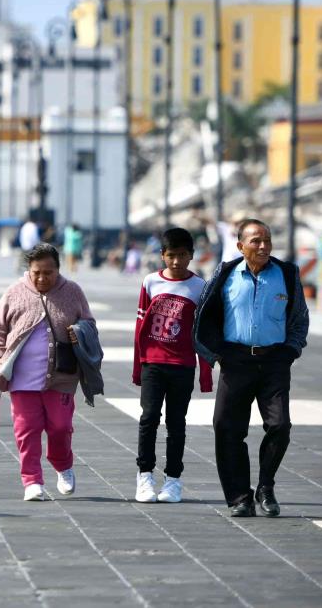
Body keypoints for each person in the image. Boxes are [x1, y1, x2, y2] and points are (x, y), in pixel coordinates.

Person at [193, 218, 308, 518]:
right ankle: (239, 497)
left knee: (280, 425)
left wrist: (290, 351)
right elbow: (204, 316)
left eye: (267, 240)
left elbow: (299, 319)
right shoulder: (225, 274)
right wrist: (218, 355)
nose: (263, 246)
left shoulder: (287, 273)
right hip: (236, 362)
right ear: (240, 246)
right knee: (227, 429)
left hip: (274, 363)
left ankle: (265, 487)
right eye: (256, 241)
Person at [0, 243, 96, 501]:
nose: (42, 278)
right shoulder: (15, 292)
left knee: (60, 427)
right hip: (22, 379)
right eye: (37, 272)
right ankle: (32, 481)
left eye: (49, 272)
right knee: (27, 430)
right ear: (29, 270)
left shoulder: (72, 292)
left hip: (62, 376)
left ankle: (62, 464)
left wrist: (79, 331)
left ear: (58, 269)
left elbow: (89, 323)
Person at [131, 228, 212, 504]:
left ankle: (173, 481)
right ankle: (144, 476)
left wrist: (205, 375)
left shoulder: (200, 287)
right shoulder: (150, 282)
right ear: (162, 255)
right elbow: (140, 328)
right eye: (171, 256)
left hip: (183, 365)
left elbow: (203, 333)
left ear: (191, 255)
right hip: (152, 363)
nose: (176, 261)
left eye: (182, 255)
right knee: (149, 418)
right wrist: (137, 367)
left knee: (177, 423)